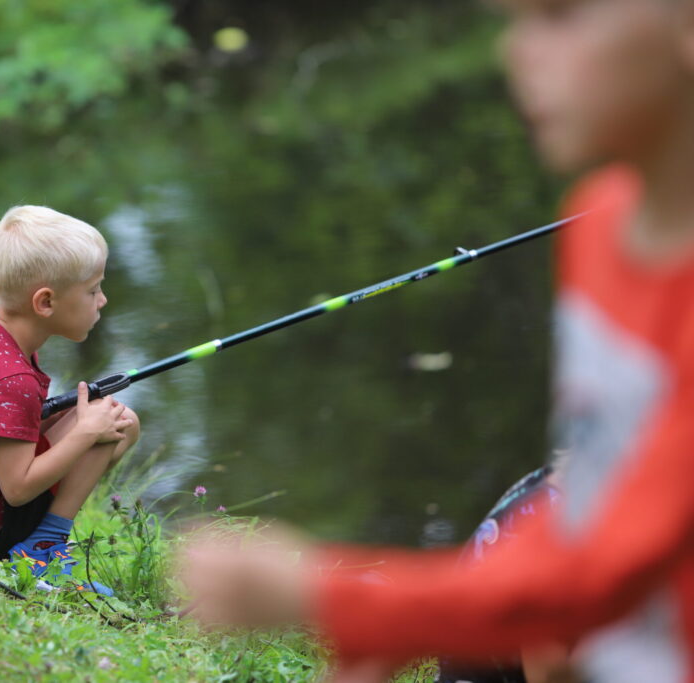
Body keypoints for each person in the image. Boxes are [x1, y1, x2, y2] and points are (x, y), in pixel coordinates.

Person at [178, 0, 694, 679]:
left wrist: (327, 595)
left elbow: (608, 563)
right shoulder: (597, 227)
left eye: (560, 16)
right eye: (514, 21)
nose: (517, 53)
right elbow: (591, 513)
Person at [0, 205, 140, 595]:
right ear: (46, 303)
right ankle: (40, 551)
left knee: (116, 418)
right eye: (92, 290)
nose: (102, 300)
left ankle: (39, 543)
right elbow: (17, 489)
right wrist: (83, 432)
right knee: (112, 425)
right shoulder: (12, 379)